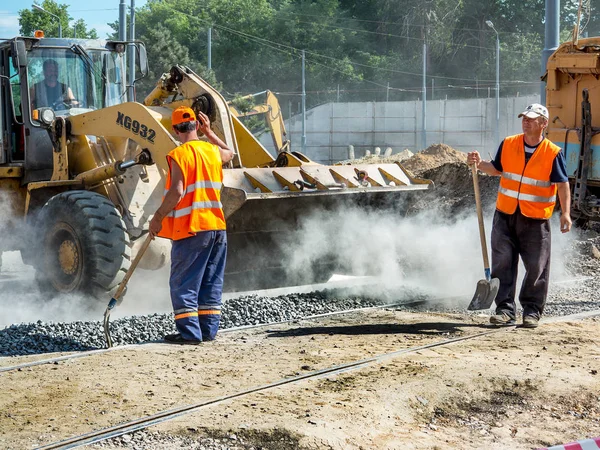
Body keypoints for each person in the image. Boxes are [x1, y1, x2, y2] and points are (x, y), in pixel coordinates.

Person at [467, 103, 572, 329]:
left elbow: (562, 185)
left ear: (543, 124)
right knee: (502, 263)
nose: (525, 122)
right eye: (524, 118)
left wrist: (565, 213)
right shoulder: (509, 143)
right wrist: (478, 164)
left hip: (535, 220)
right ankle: (504, 310)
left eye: (531, 119)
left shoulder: (552, 153)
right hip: (505, 215)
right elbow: (496, 169)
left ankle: (532, 311)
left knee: (536, 267)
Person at [149, 106, 234, 345]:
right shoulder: (212, 151)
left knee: (184, 282)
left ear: (175, 130)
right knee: (210, 281)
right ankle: (207, 331)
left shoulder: (179, 155)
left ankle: (189, 334)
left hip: (192, 229)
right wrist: (210, 133)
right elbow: (231, 153)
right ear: (196, 125)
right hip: (217, 227)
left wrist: (157, 217)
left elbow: (176, 192)